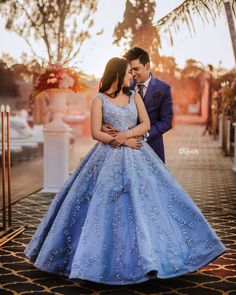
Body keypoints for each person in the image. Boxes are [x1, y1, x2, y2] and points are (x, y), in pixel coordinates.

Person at [25, 57, 226, 285]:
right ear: (118, 74)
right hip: (106, 156)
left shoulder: (134, 96)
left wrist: (126, 136)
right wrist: (120, 141)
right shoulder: (98, 99)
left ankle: (154, 257)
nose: (132, 76)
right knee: (100, 204)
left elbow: (146, 124)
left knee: (154, 200)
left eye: (133, 72)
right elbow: (95, 133)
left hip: (138, 153)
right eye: (128, 73)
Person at [102, 47, 173, 163]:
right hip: (123, 149)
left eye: (136, 69)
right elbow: (108, 107)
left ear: (147, 66)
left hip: (153, 145)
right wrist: (102, 126)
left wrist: (144, 135)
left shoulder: (163, 89)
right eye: (130, 70)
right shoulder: (124, 86)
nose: (133, 74)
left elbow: (166, 122)